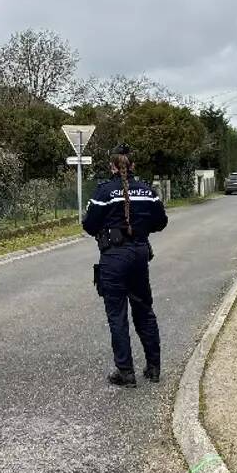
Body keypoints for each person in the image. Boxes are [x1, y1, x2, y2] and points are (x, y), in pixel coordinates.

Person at [82, 144, 169, 387]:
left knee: (117, 315)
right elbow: (161, 222)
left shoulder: (104, 192)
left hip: (114, 257)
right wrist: (139, 230)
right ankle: (153, 368)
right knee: (144, 310)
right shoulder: (148, 191)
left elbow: (89, 225)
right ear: (133, 166)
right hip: (140, 253)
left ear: (112, 166)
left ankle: (126, 372)